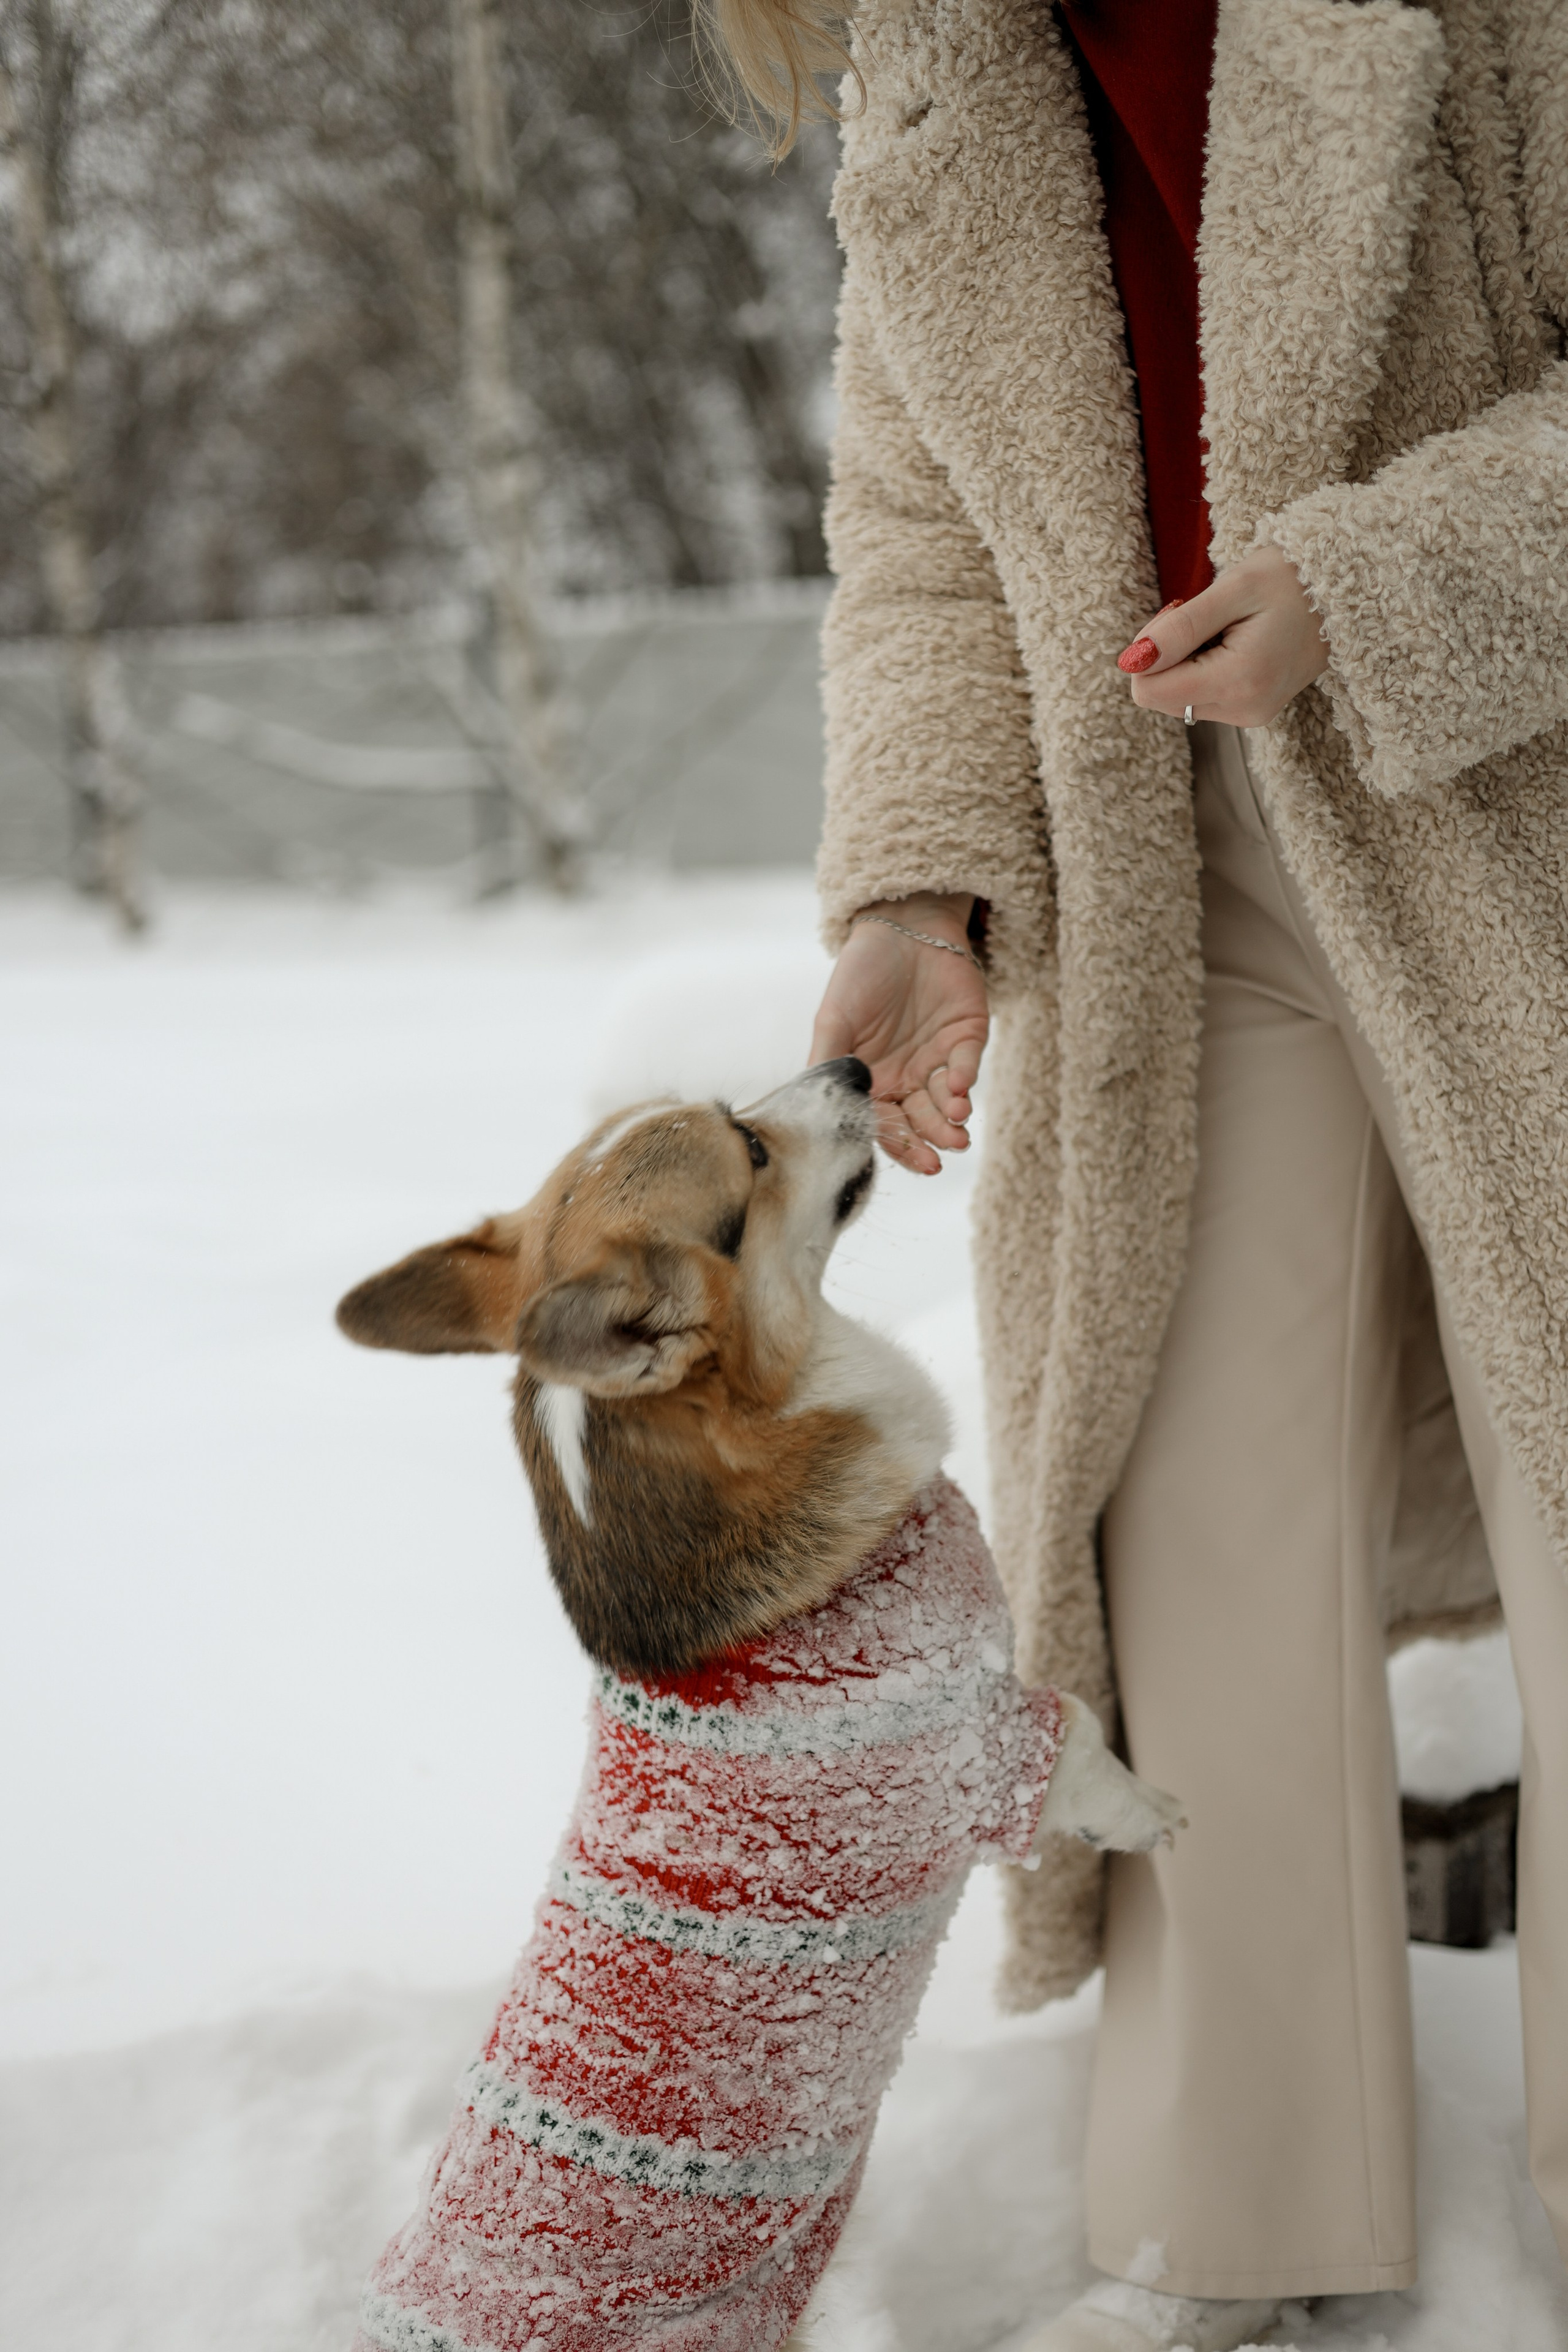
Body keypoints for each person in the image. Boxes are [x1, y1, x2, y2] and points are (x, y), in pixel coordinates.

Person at [702, 0, 1568, 2346]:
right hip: (1173, 864)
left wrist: (1386, 587)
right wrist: (914, 882)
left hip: (1537, 802)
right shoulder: (939, 46)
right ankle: (1239, 2239)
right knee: (1193, 1549)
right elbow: (922, 528)